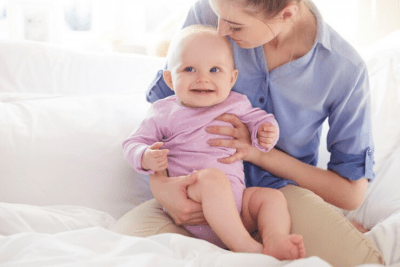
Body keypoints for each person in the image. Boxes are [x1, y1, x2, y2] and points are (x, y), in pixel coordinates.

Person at [111, 0, 385, 265]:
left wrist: (257, 153)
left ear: (287, 14)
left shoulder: (344, 68)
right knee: (124, 249)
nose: (220, 30)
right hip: (188, 195)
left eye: (235, 26)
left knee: (363, 262)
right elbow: (164, 113)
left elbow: (351, 193)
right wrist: (162, 189)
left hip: (275, 199)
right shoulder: (213, 10)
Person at [122, 25, 306, 259]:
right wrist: (145, 155)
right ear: (169, 78)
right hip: (194, 206)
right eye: (189, 69)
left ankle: (274, 239)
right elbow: (133, 142)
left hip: (238, 210)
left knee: (271, 198)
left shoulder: (236, 104)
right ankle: (248, 248)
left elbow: (261, 121)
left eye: (214, 70)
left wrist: (266, 132)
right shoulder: (164, 111)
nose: (203, 78)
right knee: (212, 178)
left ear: (232, 78)